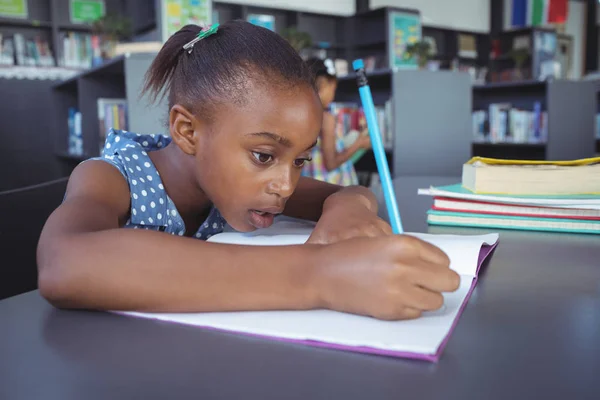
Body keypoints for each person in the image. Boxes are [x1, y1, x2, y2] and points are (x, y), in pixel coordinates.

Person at [37, 21, 459, 321]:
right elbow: (63, 262)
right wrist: (321, 274)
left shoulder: (246, 186)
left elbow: (344, 194)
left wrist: (351, 210)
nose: (285, 184)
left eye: (301, 160)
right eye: (263, 155)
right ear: (187, 131)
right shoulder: (111, 178)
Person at [301, 57, 370, 186]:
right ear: (323, 85)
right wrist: (358, 144)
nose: (333, 95)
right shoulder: (326, 118)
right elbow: (331, 164)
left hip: (311, 183)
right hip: (330, 185)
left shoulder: (303, 116)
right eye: (333, 89)